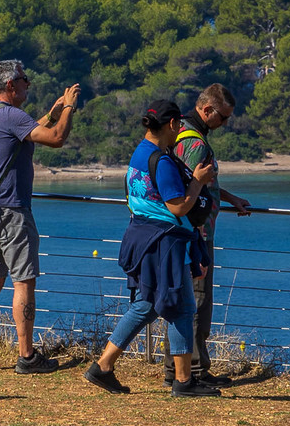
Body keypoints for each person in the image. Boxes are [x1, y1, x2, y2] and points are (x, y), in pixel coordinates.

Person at [86, 99, 217, 398]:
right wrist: (197, 182)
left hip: (144, 237)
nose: (180, 130)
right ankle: (183, 381)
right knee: (181, 307)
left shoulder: (139, 153)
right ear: (171, 124)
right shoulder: (163, 161)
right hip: (164, 243)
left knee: (146, 305)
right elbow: (179, 206)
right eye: (179, 124)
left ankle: (103, 366)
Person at [0, 60, 79, 375]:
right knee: (24, 281)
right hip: (12, 212)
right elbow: (56, 138)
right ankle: (27, 356)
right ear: (10, 85)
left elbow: (29, 132)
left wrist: (52, 113)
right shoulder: (12, 115)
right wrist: (69, 108)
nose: (28, 84)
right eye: (24, 79)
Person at [173, 84, 252, 382]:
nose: (225, 123)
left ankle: (178, 369)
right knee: (197, 302)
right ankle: (194, 371)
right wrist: (196, 237)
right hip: (196, 235)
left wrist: (228, 197)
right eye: (223, 117)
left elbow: (200, 183)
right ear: (207, 110)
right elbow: (188, 188)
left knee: (184, 301)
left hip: (184, 233)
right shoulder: (195, 143)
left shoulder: (180, 131)